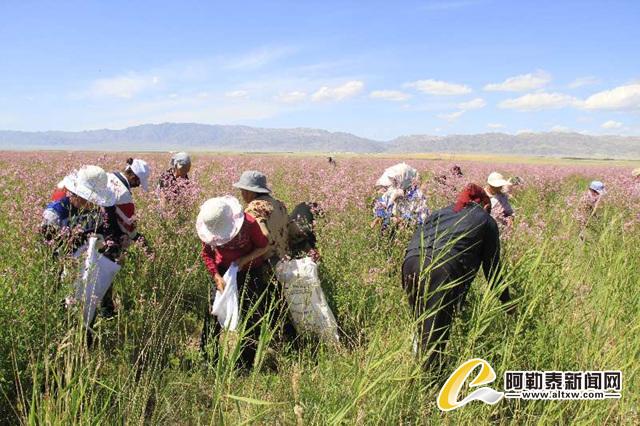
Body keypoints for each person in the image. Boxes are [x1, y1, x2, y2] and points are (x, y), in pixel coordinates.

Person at [402, 183, 512, 369]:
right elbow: (492, 269)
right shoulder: (486, 220)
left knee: (421, 325)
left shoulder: (440, 212)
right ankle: (428, 384)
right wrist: (507, 302)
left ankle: (416, 368)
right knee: (434, 337)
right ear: (485, 206)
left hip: (411, 262)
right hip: (441, 268)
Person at [198, 196, 278, 369]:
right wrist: (216, 276)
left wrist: (244, 260)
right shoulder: (209, 225)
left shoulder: (248, 223)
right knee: (213, 312)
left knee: (252, 317)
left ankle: (244, 365)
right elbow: (206, 254)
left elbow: (263, 245)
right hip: (223, 273)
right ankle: (208, 357)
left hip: (250, 271)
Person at [232, 171, 290, 264]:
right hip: (285, 259)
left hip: (268, 264)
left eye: (242, 191)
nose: (242, 195)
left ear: (249, 192)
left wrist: (244, 260)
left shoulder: (254, 208)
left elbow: (265, 238)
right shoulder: (279, 204)